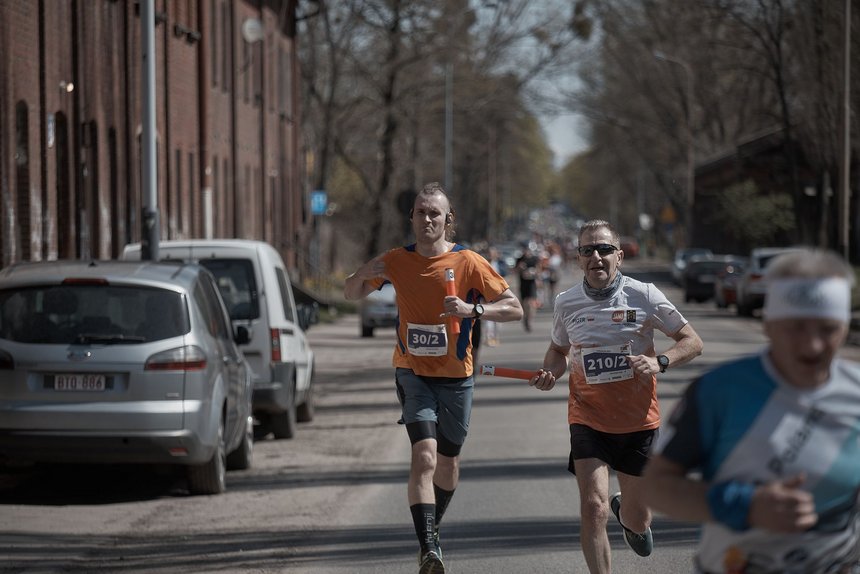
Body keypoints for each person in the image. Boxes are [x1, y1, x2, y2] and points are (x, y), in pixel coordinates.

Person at [642, 248, 860, 573]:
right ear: (768, 324)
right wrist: (746, 506)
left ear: (845, 327)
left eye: (828, 329)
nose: (812, 345)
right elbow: (656, 487)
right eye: (796, 327)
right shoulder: (719, 392)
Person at [344, 182, 524, 574]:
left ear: (448, 220)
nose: (427, 219)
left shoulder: (469, 262)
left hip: (457, 377)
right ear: (411, 217)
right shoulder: (395, 260)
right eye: (421, 212)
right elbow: (351, 293)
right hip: (412, 372)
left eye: (434, 213)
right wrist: (361, 272)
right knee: (423, 455)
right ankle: (429, 549)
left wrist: (471, 310)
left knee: (448, 463)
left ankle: (432, 528)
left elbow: (515, 309)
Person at [529, 219, 703, 574]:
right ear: (578, 258)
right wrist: (551, 372)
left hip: (639, 421)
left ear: (619, 256)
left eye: (604, 249)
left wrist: (660, 361)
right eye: (587, 250)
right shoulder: (566, 303)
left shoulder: (645, 295)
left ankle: (628, 513)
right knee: (593, 508)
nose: (596, 256)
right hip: (587, 417)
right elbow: (558, 352)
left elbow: (693, 342)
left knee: (641, 519)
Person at [515, 244, 541, 332]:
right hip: (523, 284)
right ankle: (525, 318)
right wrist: (520, 267)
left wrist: (535, 273)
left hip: (532, 283)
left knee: (531, 303)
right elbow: (515, 271)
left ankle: (530, 320)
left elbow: (539, 270)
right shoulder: (520, 259)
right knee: (524, 304)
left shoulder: (534, 259)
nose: (527, 252)